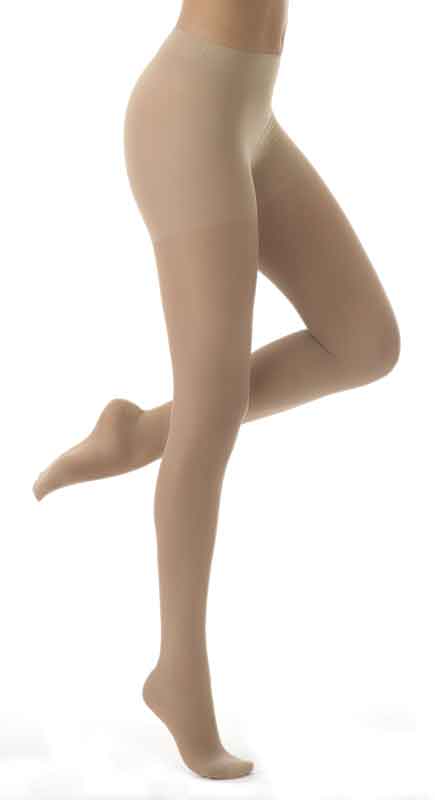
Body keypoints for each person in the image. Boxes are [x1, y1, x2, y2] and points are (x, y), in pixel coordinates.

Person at [33, 0, 400, 781]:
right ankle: (178, 676)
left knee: (365, 342)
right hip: (188, 117)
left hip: (250, 113)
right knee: (210, 416)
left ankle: (137, 434)